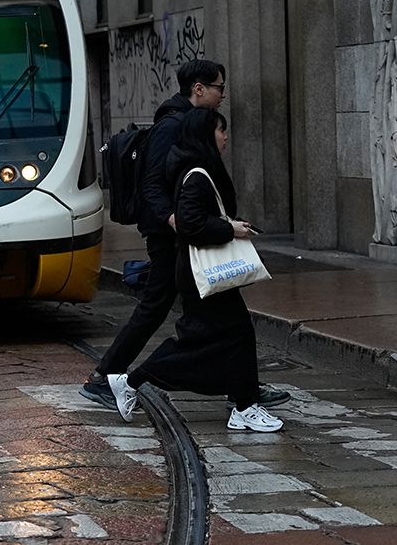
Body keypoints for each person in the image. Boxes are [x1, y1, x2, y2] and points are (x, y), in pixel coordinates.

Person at [79, 61, 287, 411]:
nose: (223, 95)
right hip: (171, 235)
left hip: (184, 234)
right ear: (199, 89)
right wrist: (175, 219)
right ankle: (114, 377)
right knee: (168, 308)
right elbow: (152, 182)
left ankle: (243, 390)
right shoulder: (172, 126)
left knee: (212, 316)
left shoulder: (189, 123)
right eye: (219, 87)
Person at [106, 109, 282, 432]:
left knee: (234, 334)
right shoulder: (198, 174)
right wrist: (231, 230)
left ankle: (244, 405)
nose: (226, 137)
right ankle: (133, 380)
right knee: (202, 343)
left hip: (197, 273)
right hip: (200, 273)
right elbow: (190, 224)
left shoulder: (195, 167)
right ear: (205, 135)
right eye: (220, 130)